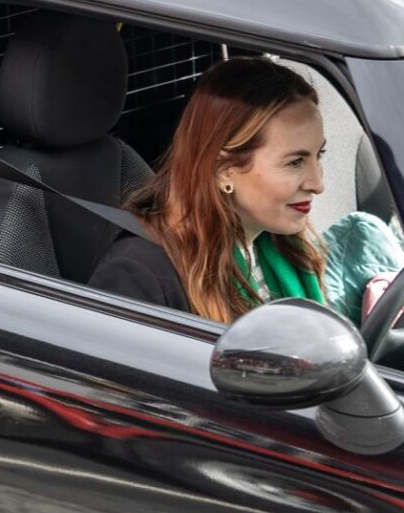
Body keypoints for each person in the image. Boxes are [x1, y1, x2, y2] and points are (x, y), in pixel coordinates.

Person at [89, 57, 331, 323]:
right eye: (295, 162)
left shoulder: (282, 247)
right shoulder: (139, 275)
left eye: (318, 155)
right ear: (223, 170)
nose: (318, 184)